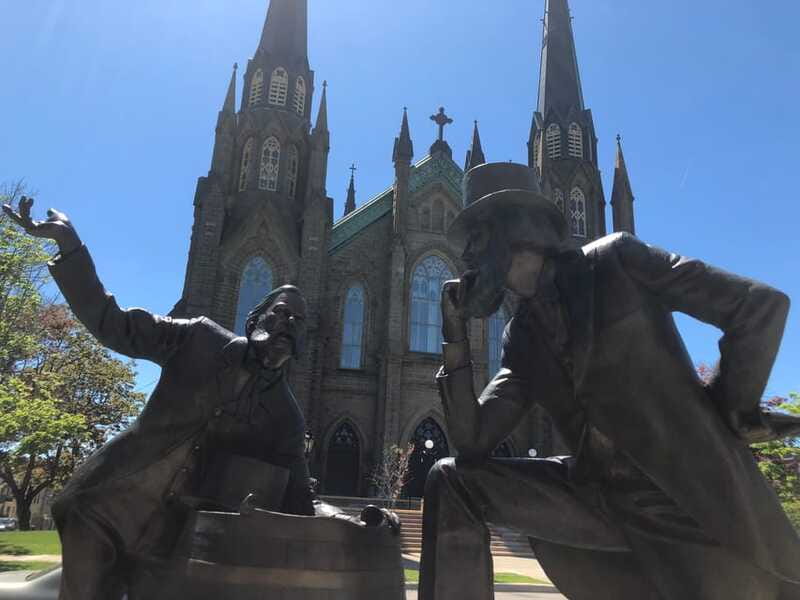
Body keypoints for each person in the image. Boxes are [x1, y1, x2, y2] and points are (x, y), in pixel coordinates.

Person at [417, 162, 800, 600]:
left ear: (511, 231)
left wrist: (732, 410)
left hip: (682, 499)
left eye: (475, 240)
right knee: (453, 479)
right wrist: (454, 336)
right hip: (597, 499)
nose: (466, 257)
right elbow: (472, 443)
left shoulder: (618, 260)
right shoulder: (520, 336)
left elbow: (759, 306)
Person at [2, 198, 394, 600]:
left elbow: (300, 500)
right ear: (254, 320)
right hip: (106, 508)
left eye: (297, 322)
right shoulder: (198, 338)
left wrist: (354, 519)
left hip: (176, 541)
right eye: (280, 313)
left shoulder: (285, 417)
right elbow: (112, 322)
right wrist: (71, 248)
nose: (287, 324)